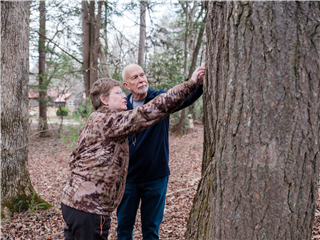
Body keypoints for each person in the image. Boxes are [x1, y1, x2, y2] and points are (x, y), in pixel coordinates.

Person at [60, 66, 205, 240]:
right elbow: (146, 113)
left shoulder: (95, 118)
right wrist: (191, 82)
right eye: (118, 93)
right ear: (104, 100)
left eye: (142, 75)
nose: (124, 97)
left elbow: (74, 158)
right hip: (89, 208)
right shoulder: (110, 120)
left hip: (73, 202)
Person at [117, 64, 205, 239]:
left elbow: (187, 98)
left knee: (151, 230)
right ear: (126, 85)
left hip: (155, 177)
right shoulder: (121, 107)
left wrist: (199, 83)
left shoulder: (160, 99)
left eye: (142, 75)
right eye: (135, 77)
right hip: (127, 180)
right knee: (123, 230)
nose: (141, 79)